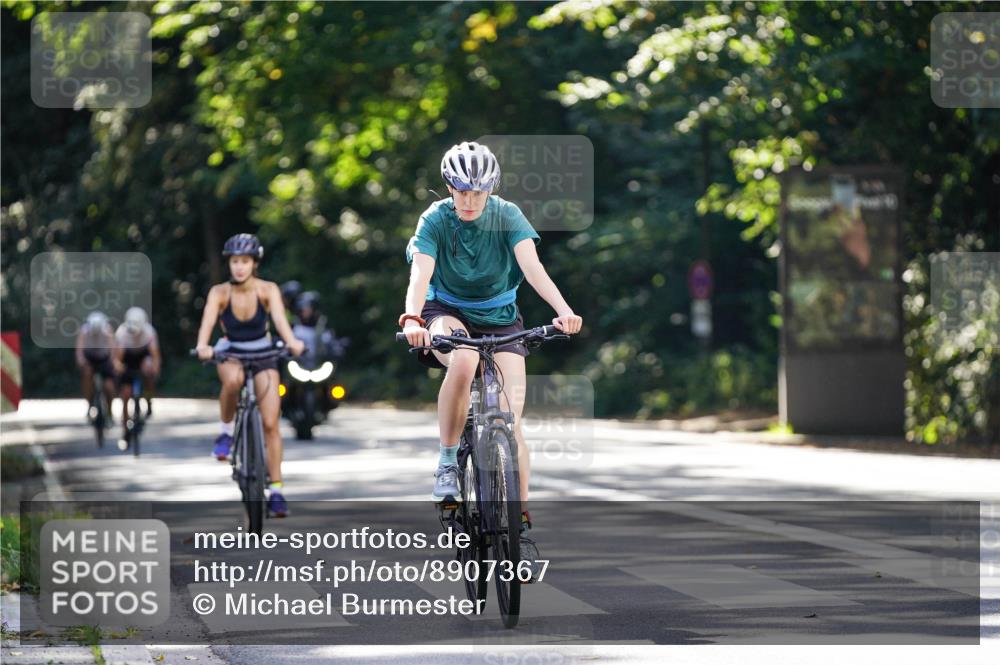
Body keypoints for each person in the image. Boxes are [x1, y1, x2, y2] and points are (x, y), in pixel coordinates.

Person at [400, 141, 583, 577]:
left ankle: (517, 519)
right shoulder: (435, 219)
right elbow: (420, 272)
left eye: (477, 193)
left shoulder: (507, 216)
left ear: (490, 190)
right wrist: (412, 317)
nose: (468, 201)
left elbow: (533, 267)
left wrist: (563, 310)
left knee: (509, 418)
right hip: (444, 313)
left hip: (502, 320)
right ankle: (447, 465)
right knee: (462, 362)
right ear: (449, 187)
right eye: (461, 191)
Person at [194, 233, 305, 517]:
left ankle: (277, 490)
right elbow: (207, 322)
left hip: (263, 353)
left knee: (271, 424)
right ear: (229, 264)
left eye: (244, 261)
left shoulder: (267, 290)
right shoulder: (220, 293)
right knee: (233, 381)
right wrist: (203, 346)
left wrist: (292, 341)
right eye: (234, 262)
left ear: (254, 263)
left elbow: (280, 320)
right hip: (230, 351)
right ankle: (226, 432)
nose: (239, 267)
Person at [113, 307, 161, 447]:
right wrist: (119, 367)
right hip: (127, 359)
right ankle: (125, 432)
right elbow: (117, 359)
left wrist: (155, 371)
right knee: (126, 396)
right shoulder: (121, 333)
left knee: (148, 368)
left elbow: (155, 356)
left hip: (143, 357)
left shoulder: (149, 332)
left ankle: (148, 398)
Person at [75, 311, 117, 422]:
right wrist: (82, 363)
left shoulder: (107, 330)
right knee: (87, 375)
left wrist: (112, 363)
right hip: (90, 358)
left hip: (104, 359)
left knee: (109, 386)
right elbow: (79, 351)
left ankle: (109, 410)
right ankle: (89, 404)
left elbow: (113, 350)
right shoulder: (84, 331)